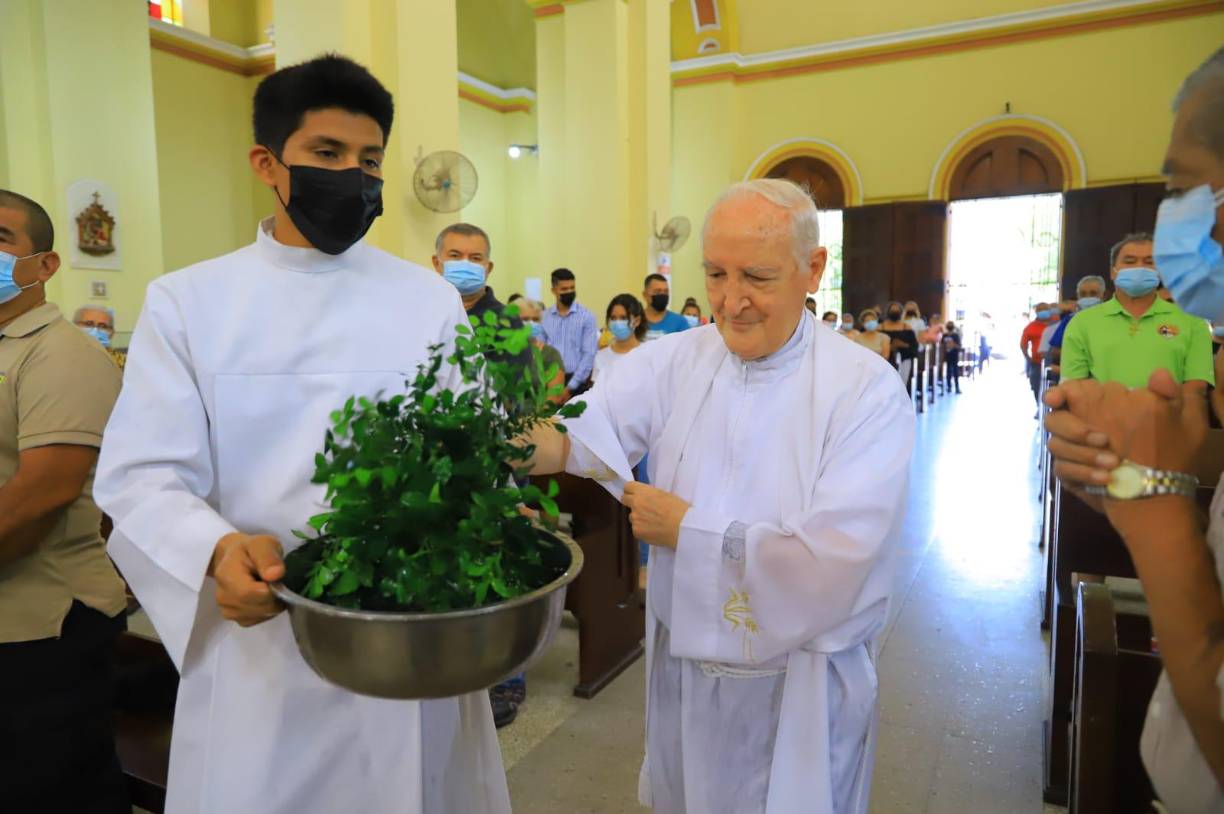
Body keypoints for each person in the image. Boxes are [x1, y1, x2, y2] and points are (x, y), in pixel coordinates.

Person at [93, 55, 511, 814]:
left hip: (409, 636)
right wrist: (215, 551)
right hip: (265, 642)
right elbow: (143, 474)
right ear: (267, 162)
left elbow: (473, 454)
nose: (354, 175)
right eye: (327, 154)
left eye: (370, 159)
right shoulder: (190, 303)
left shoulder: (426, 301)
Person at [521, 178, 914, 813]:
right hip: (686, 670)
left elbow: (836, 563)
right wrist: (487, 445)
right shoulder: (677, 359)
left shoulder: (863, 391)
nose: (731, 303)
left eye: (756, 277)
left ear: (813, 269)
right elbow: (573, 435)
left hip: (798, 690)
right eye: (715, 275)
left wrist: (688, 530)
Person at [1045, 45, 1224, 812]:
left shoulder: (1191, 329)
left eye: (1182, 186)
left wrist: (1147, 494)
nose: (1173, 217)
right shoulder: (1090, 324)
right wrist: (1121, 464)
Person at [0, 190, 128, 813]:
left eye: (1, 238)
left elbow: (36, 501)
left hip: (43, 628)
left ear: (45, 265)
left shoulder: (62, 355)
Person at [1061, 232, 1213, 394]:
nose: (1139, 267)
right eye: (1130, 261)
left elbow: (1196, 386)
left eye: (1149, 262)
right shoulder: (1082, 322)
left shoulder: (1192, 322)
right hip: (1100, 417)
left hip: (1168, 417)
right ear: (1113, 272)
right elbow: (1073, 385)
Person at [541, 267, 598, 397]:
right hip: (549, 382)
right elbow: (540, 353)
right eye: (564, 289)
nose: (569, 292)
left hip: (577, 384)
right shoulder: (544, 317)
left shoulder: (587, 317)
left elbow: (589, 354)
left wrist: (570, 387)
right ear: (553, 290)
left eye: (572, 288)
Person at [1045, 275, 1108, 366]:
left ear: (1104, 295)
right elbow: (1055, 351)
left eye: (1093, 293)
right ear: (1078, 296)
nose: (1087, 297)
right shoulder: (1069, 320)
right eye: (1083, 294)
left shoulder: (1113, 319)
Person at [517, 298, 567, 406]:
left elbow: (554, 398)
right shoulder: (502, 353)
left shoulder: (550, 354)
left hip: (541, 419)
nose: (531, 323)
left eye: (535, 320)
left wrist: (531, 420)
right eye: (525, 319)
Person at [594, 293, 646, 383]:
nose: (617, 322)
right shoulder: (601, 357)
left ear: (637, 321)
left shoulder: (647, 354)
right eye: (613, 318)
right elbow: (596, 393)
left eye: (623, 318)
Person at [74, 304, 126, 370]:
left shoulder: (123, 364)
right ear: (73, 327)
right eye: (88, 324)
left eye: (103, 326)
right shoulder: (63, 357)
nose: (95, 330)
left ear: (111, 333)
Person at [642, 273, 692, 340]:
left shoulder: (680, 322)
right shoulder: (635, 322)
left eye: (666, 291)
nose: (662, 295)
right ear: (645, 295)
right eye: (657, 291)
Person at [881, 301, 918, 389]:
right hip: (885, 361)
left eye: (897, 311)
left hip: (904, 359)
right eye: (892, 310)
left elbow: (914, 346)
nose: (894, 312)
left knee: (901, 385)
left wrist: (903, 345)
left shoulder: (907, 328)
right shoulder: (880, 327)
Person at [1021, 302, 1054, 404]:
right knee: (1036, 386)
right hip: (1037, 363)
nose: (1043, 312)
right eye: (1040, 310)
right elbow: (1023, 345)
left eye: (1045, 309)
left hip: (1054, 362)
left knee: (1052, 387)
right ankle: (1039, 406)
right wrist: (1028, 358)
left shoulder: (1056, 324)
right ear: (1036, 312)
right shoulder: (1031, 327)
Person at [942, 321, 962, 394]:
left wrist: (953, 344)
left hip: (954, 355)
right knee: (948, 372)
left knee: (955, 371)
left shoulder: (956, 335)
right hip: (947, 356)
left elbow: (959, 346)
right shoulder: (944, 335)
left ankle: (957, 387)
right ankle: (949, 387)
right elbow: (942, 346)